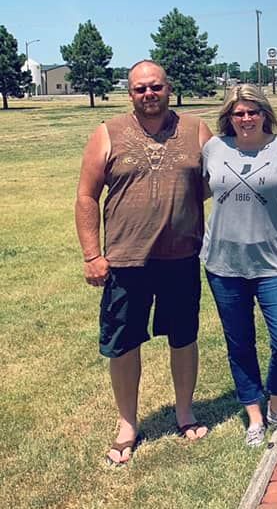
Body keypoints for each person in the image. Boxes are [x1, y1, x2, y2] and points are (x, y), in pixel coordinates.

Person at [75, 60, 213, 466]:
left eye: (156, 87)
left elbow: (214, 183)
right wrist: (91, 254)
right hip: (125, 260)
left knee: (183, 337)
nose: (149, 94)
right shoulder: (107, 133)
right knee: (124, 342)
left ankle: (185, 414)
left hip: (182, 256)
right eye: (140, 89)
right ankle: (127, 424)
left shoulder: (195, 129)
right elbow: (86, 196)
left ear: (169, 88)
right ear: (130, 93)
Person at [201, 84, 277, 446]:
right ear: (228, 117)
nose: (246, 118)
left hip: (275, 262)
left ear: (265, 113)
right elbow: (199, 193)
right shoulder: (214, 149)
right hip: (223, 263)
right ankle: (254, 414)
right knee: (240, 343)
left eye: (253, 111)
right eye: (239, 113)